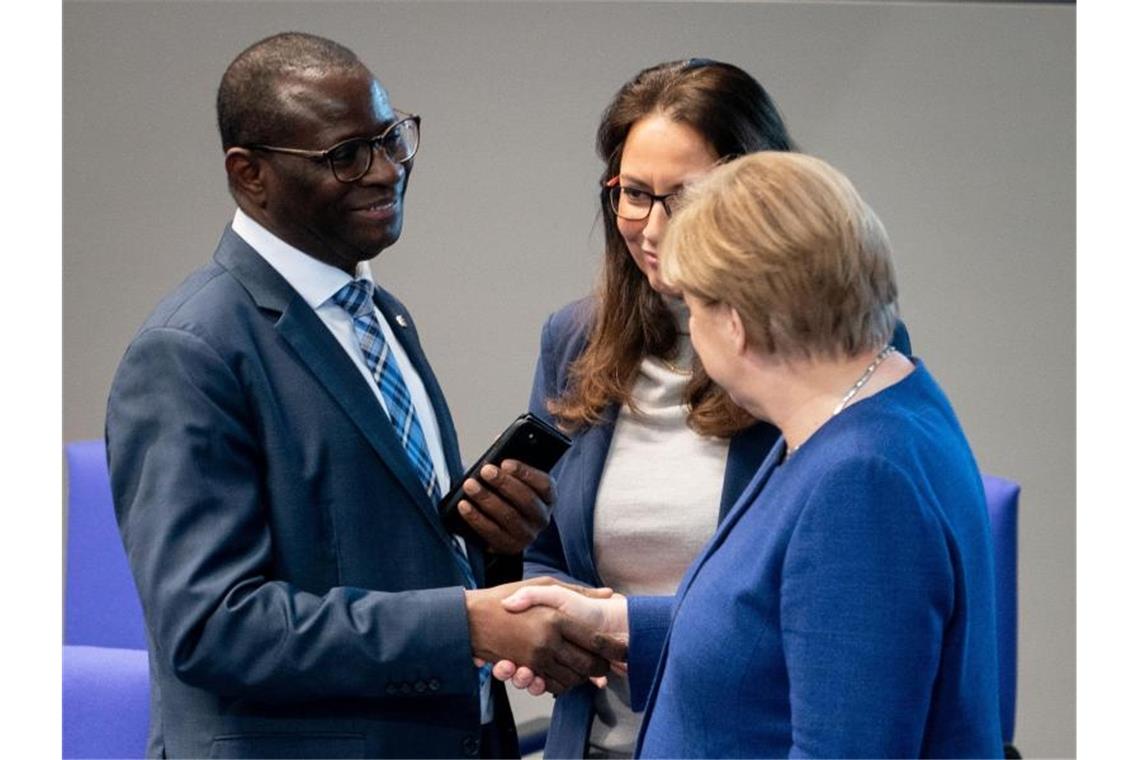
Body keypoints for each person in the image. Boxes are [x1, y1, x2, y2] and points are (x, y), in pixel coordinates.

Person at [105, 32, 614, 759]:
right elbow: (212, 627)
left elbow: (388, 559)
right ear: (250, 175)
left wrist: (493, 551)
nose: (386, 171)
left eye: (391, 138)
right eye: (346, 156)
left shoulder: (381, 315)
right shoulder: (189, 351)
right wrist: (467, 623)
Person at [501, 151, 1004, 757]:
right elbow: (771, 637)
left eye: (692, 304)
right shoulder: (868, 409)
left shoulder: (860, 480)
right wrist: (616, 625)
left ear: (734, 322)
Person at [517, 59, 909, 758]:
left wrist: (620, 623)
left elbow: (813, 635)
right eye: (633, 194)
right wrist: (547, 620)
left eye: (687, 198)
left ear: (760, 197)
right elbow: (545, 551)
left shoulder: (840, 363)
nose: (654, 228)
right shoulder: (572, 337)